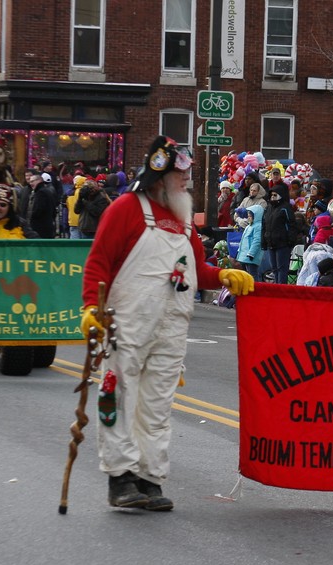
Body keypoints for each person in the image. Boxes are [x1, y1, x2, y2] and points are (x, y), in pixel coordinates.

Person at [80, 135, 254, 510]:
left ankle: (149, 476)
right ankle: (120, 477)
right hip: (126, 323)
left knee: (157, 403)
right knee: (119, 396)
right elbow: (99, 262)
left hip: (171, 327)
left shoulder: (182, 220)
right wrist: (90, 307)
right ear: (160, 176)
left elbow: (196, 271)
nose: (187, 183)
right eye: (181, 176)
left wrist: (223, 276)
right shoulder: (125, 208)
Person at [262, 181, 297, 285]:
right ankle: (276, 289)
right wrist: (264, 240)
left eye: (275, 195)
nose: (272, 197)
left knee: (282, 268)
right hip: (271, 242)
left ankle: (281, 289)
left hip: (283, 243)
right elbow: (264, 225)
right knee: (274, 268)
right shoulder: (268, 208)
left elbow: (291, 225)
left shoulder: (285, 207)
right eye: (271, 195)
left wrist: (290, 240)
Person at [23, 168, 58, 238]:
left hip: (40, 228)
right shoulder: (48, 191)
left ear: (39, 181)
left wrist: (31, 218)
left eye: (32, 181)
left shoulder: (40, 193)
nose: (31, 183)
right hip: (48, 226)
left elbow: (38, 210)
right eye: (30, 182)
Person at [234, 204, 264, 279]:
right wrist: (239, 250)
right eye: (248, 216)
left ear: (256, 216)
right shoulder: (249, 226)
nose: (248, 218)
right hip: (245, 255)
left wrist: (251, 253)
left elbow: (257, 241)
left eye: (250, 216)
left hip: (251, 256)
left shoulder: (258, 226)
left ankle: (255, 289)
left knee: (252, 274)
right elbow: (243, 240)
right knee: (246, 274)